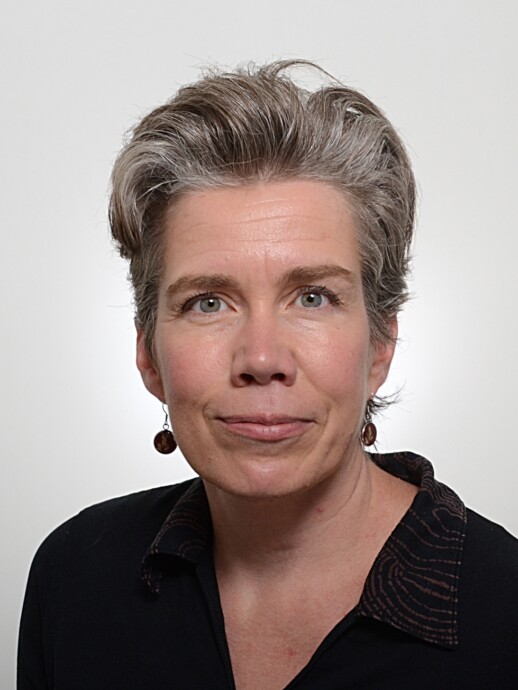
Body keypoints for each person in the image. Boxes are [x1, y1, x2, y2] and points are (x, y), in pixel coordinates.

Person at [18, 61, 518, 689]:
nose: (261, 359)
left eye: (312, 298)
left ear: (381, 344)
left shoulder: (506, 613)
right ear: (148, 353)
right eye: (208, 302)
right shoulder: (75, 579)